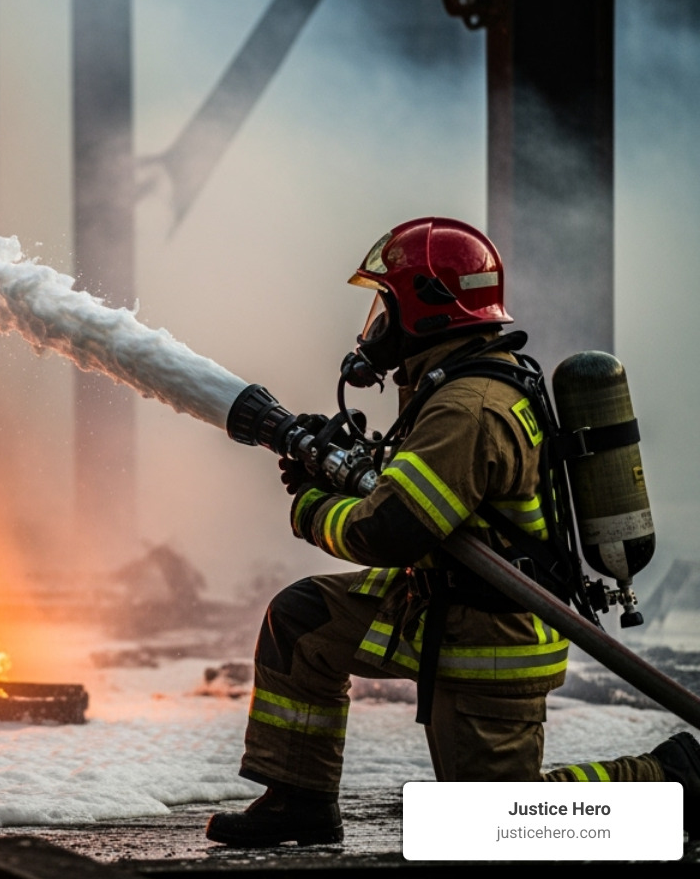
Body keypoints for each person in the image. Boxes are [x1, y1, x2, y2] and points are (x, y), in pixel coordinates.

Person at [205, 216, 700, 848]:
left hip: (491, 636)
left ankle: (672, 784)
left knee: (489, 831)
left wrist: (309, 506)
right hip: (439, 603)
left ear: (426, 308)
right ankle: (298, 801)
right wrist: (336, 470)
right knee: (304, 621)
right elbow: (418, 495)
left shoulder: (467, 409)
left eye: (385, 306)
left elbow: (390, 530)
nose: (375, 327)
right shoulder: (460, 385)